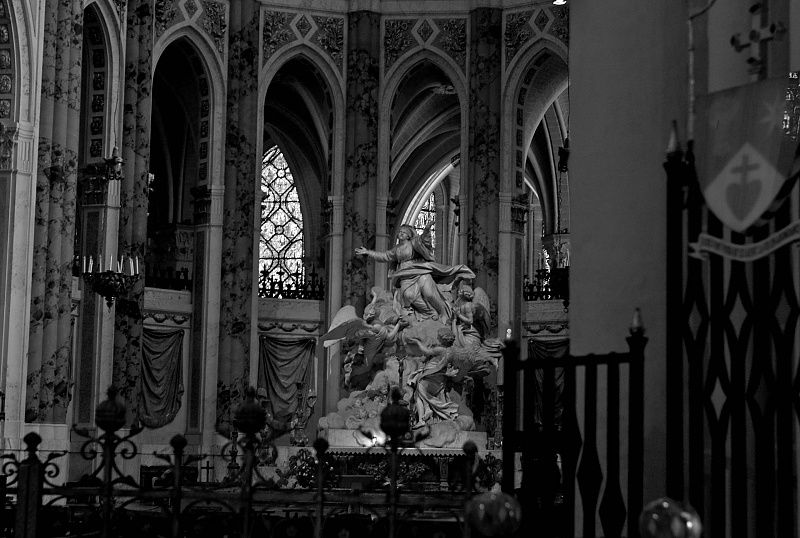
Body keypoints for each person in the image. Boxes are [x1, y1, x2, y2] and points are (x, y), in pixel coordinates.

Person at [355, 223, 475, 322]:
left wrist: (426, 230)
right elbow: (385, 256)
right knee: (408, 296)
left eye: (404, 232)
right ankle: (429, 313)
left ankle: (443, 313)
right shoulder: (396, 249)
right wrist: (368, 252)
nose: (401, 233)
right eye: (400, 232)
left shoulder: (413, 243)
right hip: (405, 275)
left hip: (420, 271)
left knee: (430, 293)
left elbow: (422, 239)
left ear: (408, 236)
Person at [406, 328, 460, 427]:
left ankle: (423, 418)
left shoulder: (440, 349)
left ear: (443, 338)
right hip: (440, 378)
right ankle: (427, 411)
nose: (437, 337)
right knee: (423, 395)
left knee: (419, 394)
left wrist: (417, 342)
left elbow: (426, 351)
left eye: (439, 335)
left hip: (431, 374)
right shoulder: (450, 351)